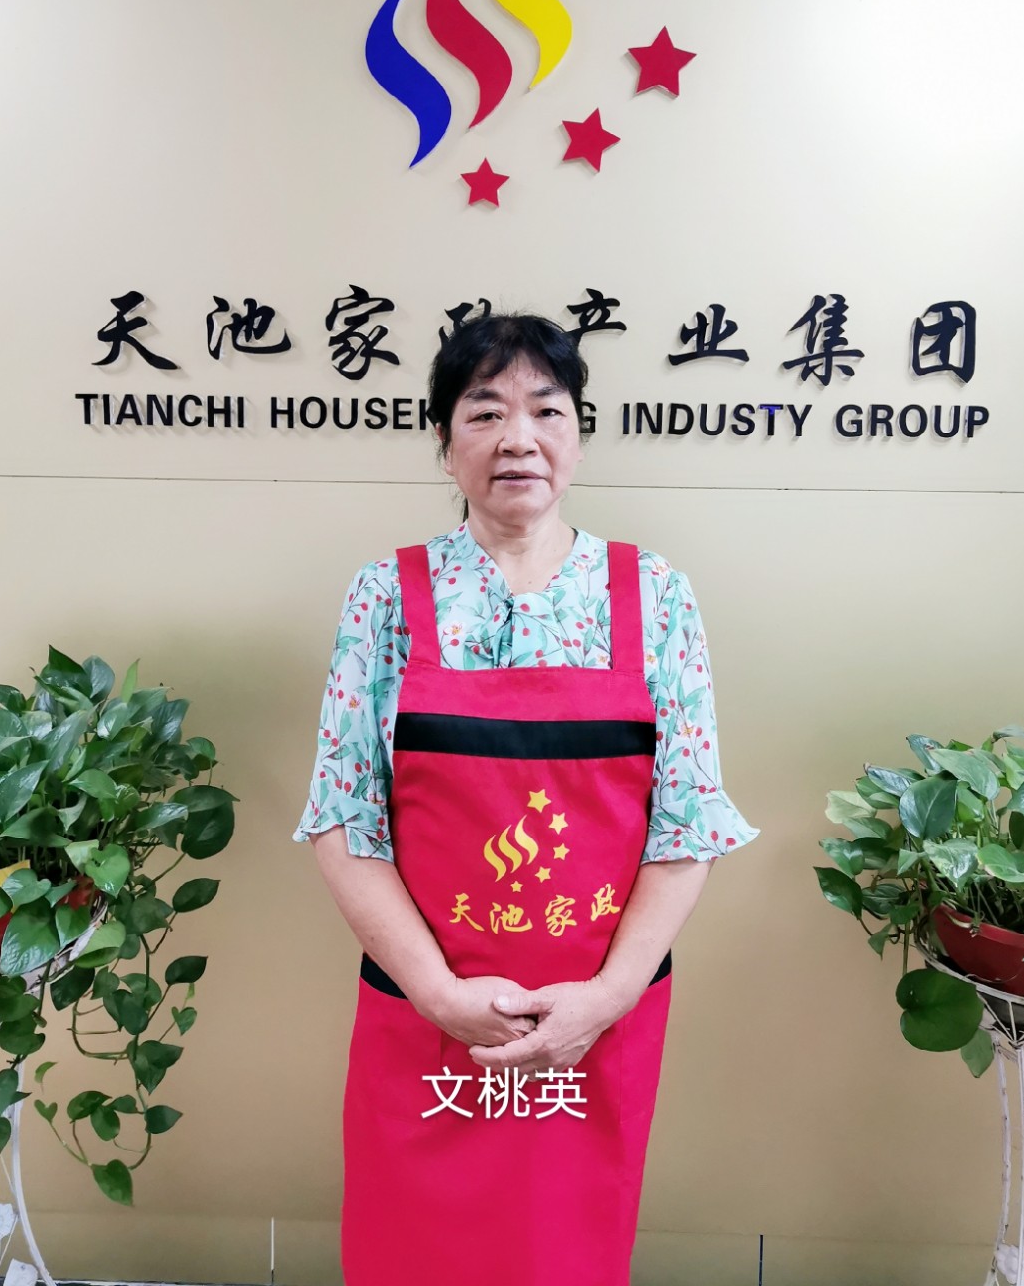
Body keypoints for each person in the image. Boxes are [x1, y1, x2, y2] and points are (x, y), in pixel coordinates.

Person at [292, 312, 758, 1286]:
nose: (519, 438)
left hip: (592, 1026)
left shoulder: (653, 595)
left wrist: (606, 999)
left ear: (577, 437)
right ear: (444, 442)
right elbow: (344, 819)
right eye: (484, 412)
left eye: (547, 410)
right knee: (410, 1256)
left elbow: (686, 824)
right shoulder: (386, 596)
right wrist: (437, 994)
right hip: (426, 1014)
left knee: (566, 1254)